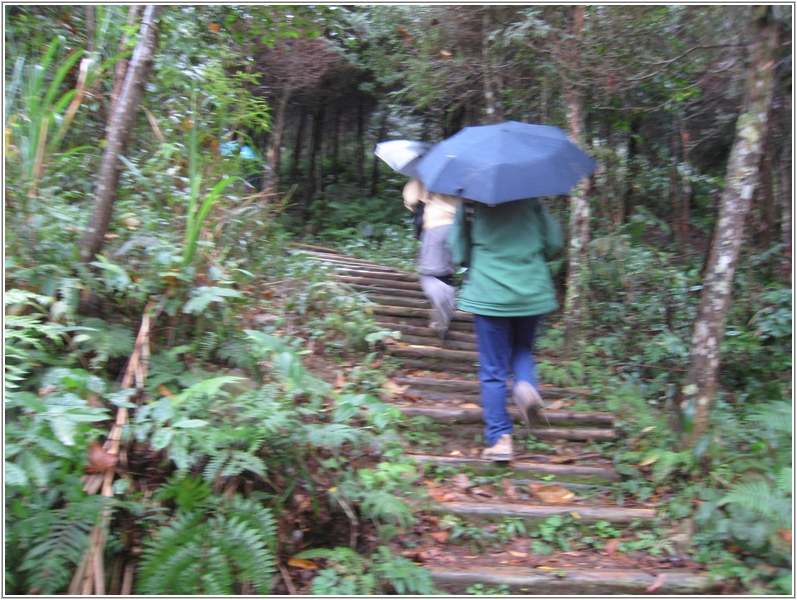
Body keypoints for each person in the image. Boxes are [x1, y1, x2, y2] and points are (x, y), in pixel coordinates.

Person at [447, 197, 562, 461]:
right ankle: (524, 384)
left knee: (493, 369)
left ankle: (500, 439)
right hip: (531, 290)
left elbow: (458, 250)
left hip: (489, 293)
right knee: (521, 347)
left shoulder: (471, 204)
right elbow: (554, 243)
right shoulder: (532, 201)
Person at [403, 179, 462, 339]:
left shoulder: (427, 171)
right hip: (458, 226)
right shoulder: (461, 171)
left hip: (435, 224)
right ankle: (440, 317)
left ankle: (444, 300)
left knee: (430, 273)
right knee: (448, 272)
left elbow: (412, 198)